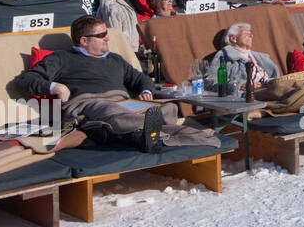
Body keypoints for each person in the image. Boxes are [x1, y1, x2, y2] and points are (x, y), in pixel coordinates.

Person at [18, 16, 218, 151]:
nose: (107, 38)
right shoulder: (62, 58)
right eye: (101, 35)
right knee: (111, 112)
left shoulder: (114, 59)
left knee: (168, 108)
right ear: (83, 41)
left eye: (106, 33)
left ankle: (151, 132)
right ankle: (162, 133)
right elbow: (28, 79)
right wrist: (55, 87)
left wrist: (145, 90)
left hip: (123, 103)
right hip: (88, 104)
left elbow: (140, 78)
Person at [205, 22, 304, 115]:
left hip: (273, 84)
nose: (252, 35)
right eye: (246, 33)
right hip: (252, 92)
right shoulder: (223, 56)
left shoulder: (259, 56)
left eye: (251, 32)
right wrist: (239, 84)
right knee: (288, 87)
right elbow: (211, 83)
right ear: (233, 38)